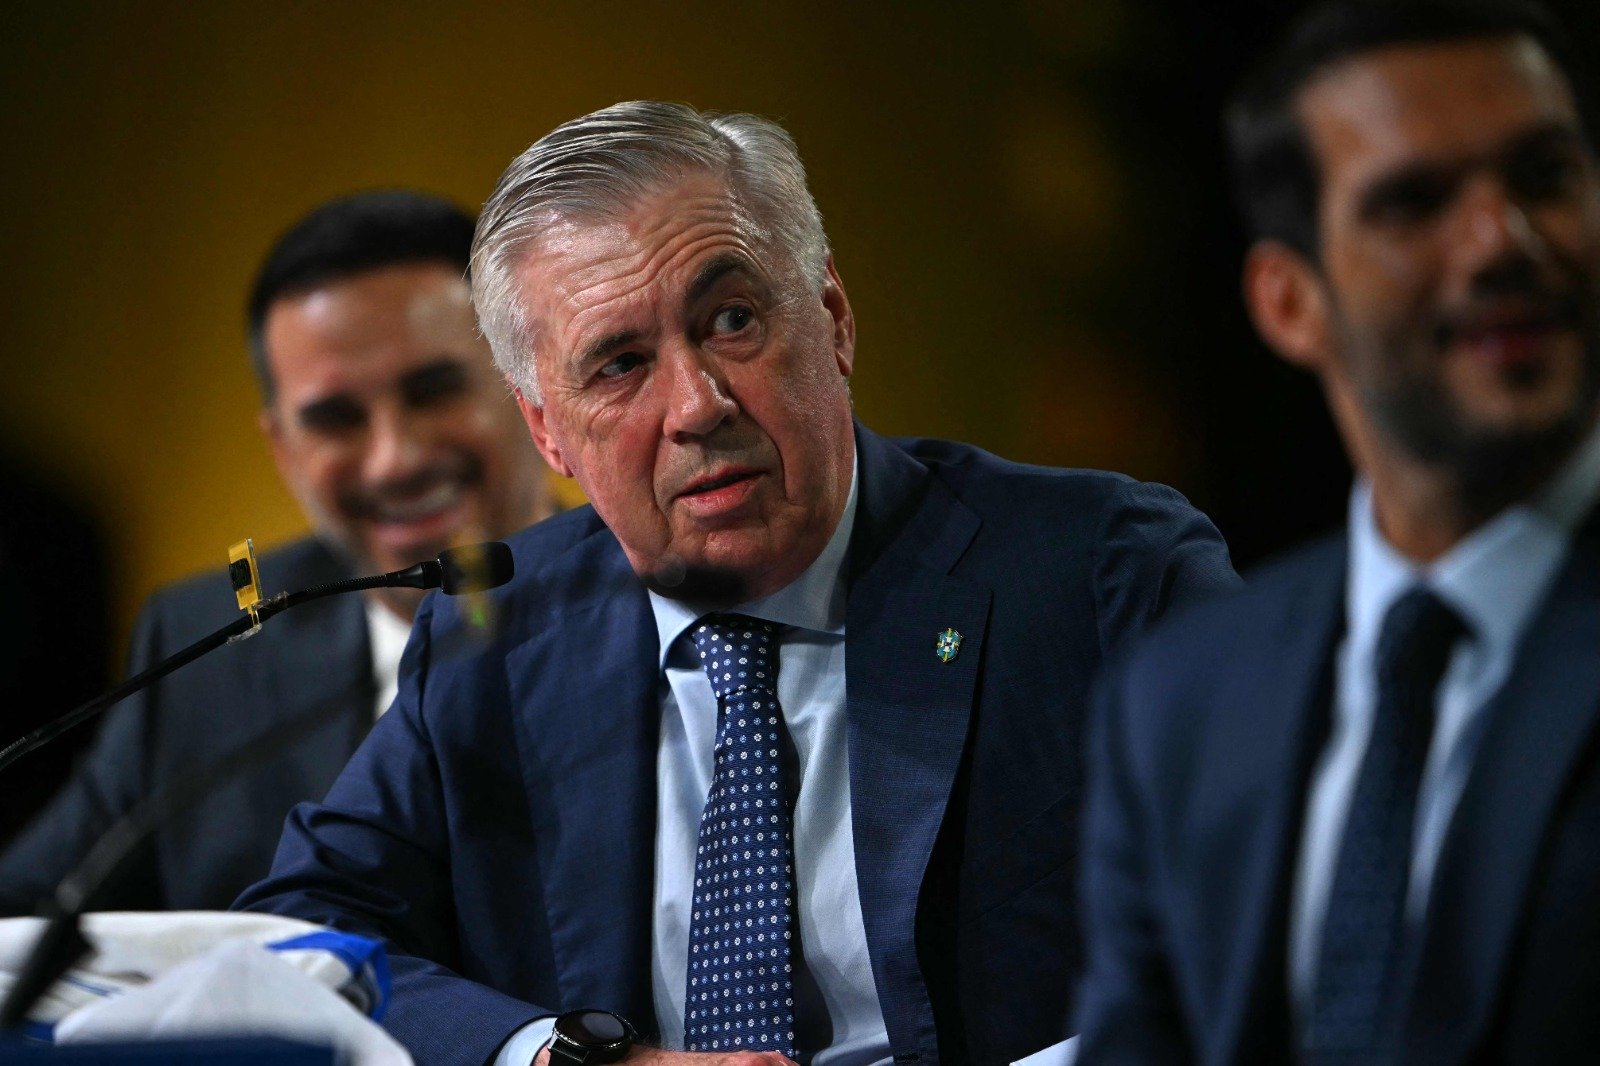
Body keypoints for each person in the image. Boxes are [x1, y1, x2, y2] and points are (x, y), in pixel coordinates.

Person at [236, 101, 1237, 1066]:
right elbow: (295, 940)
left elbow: (1266, 925)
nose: (697, 405)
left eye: (730, 320)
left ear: (833, 319)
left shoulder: (1105, 574)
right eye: (619, 364)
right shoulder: (494, 636)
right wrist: (555, 1057)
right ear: (546, 430)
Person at [1075, 2, 1600, 1063]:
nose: (1501, 240)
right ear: (1288, 302)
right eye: (1414, 202)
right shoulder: (1176, 704)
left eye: (1543, 176)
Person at [0, 190, 554, 915]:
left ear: (533, 385)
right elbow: (24, 910)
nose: (394, 459)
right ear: (283, 448)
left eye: (434, 391)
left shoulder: (660, 612)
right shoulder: (208, 652)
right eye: (335, 419)